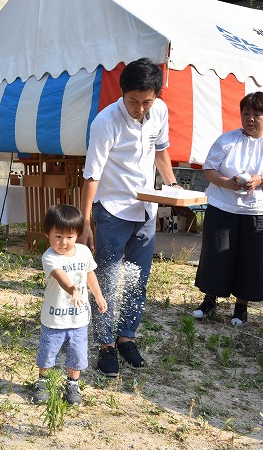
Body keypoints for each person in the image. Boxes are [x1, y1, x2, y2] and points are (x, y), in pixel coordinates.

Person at [79, 58, 180, 377]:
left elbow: (161, 151)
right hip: (112, 210)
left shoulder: (159, 112)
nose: (140, 109)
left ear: (156, 96)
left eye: (146, 102)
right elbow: (91, 175)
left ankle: (127, 337)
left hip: (146, 209)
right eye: (133, 102)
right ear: (122, 94)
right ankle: (105, 345)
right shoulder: (105, 122)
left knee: (138, 279)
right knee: (106, 280)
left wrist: (173, 185)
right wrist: (85, 223)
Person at [192, 91, 263, 325]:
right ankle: (210, 299)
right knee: (216, 254)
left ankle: (241, 307)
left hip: (259, 210)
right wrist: (227, 182)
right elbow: (209, 169)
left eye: (256, 114)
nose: (250, 119)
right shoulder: (227, 140)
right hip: (223, 206)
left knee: (252, 259)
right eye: (245, 113)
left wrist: (261, 179)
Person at [33, 204, 108, 405]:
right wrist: (73, 290)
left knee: (77, 354)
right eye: (58, 236)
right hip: (54, 318)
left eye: (70, 237)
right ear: (47, 233)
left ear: (78, 235)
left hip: (79, 318)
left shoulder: (83, 252)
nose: (63, 242)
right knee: (48, 352)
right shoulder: (49, 257)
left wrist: (98, 296)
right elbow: (60, 276)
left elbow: (89, 274)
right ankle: (43, 381)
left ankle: (72, 384)